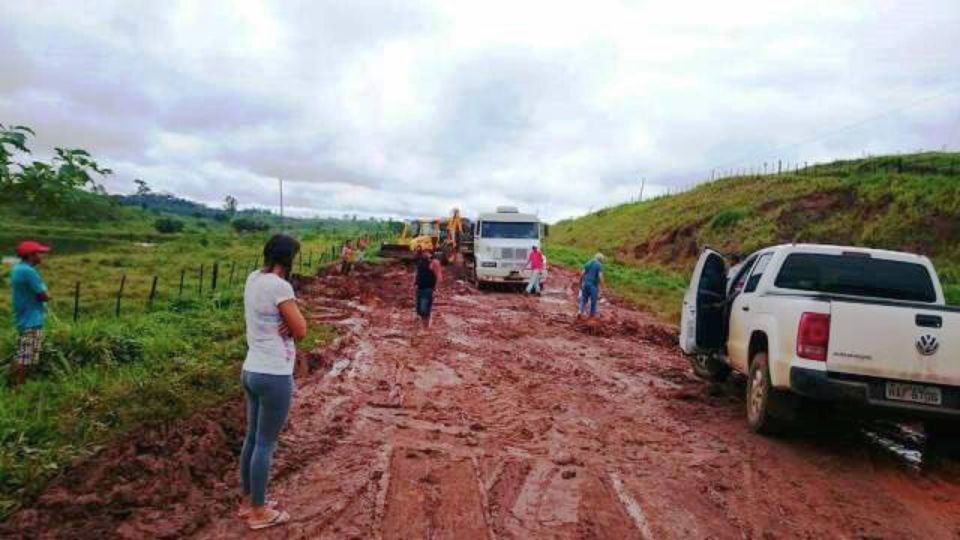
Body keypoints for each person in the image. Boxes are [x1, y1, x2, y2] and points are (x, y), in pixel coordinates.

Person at [238, 234, 307, 530]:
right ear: (288, 257)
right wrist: (291, 325)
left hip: (251, 369)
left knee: (252, 439)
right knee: (265, 443)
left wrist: (286, 323)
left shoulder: (254, 278)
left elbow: (281, 321)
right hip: (273, 373)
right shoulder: (280, 286)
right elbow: (301, 329)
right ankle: (259, 511)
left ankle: (247, 501)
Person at [10, 241, 51, 386]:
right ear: (30, 255)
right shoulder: (28, 271)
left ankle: (16, 384)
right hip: (31, 319)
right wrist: (46, 293)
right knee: (25, 358)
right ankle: (18, 389)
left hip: (25, 317)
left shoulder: (18, 268)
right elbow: (44, 295)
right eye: (39, 253)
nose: (42, 256)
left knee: (24, 354)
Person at [414, 247, 442, 328]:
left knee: (424, 310)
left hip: (428, 289)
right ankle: (424, 327)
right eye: (422, 252)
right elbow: (417, 273)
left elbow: (439, 277)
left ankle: (426, 328)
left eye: (425, 252)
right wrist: (414, 284)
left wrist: (436, 289)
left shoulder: (434, 262)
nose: (423, 253)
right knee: (419, 310)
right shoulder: (420, 261)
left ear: (429, 252)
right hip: (419, 288)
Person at [578, 253, 605, 319]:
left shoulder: (588, 263)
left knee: (584, 299)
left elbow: (582, 274)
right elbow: (600, 276)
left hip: (585, 284)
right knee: (593, 301)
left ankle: (580, 311)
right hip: (593, 286)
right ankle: (591, 317)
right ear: (600, 259)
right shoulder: (599, 265)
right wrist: (603, 287)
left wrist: (580, 283)